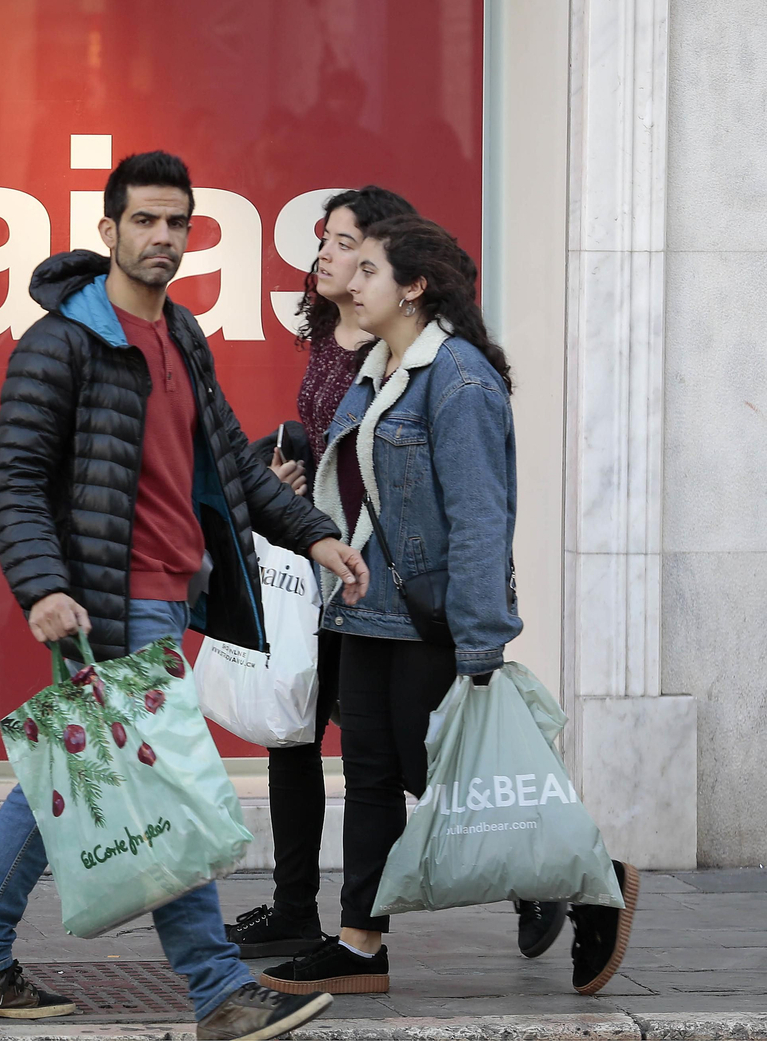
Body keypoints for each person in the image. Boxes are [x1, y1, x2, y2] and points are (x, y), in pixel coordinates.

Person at [0, 151, 371, 1041]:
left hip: (170, 594)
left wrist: (313, 531)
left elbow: (235, 464)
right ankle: (218, 993)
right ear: (109, 232)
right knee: (157, 793)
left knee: (71, 775)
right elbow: (15, 477)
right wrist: (43, 588)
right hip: (109, 598)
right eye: (144, 221)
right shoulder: (63, 342)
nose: (162, 237)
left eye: (177, 223)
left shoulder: (184, 335)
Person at [258, 215, 638, 996]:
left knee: (451, 782)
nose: (350, 284)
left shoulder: (459, 379)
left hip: (429, 620)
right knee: (370, 778)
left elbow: (478, 519)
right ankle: (362, 946)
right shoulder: (377, 371)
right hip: (365, 609)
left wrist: (480, 648)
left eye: (367, 271)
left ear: (414, 286)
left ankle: (591, 879)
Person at [226, 187, 416, 958]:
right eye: (326, 240)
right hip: (321, 561)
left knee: (403, 751)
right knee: (293, 730)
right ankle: (296, 906)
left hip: (372, 573)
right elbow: (333, 446)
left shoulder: (390, 342)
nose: (325, 256)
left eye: (343, 243)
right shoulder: (330, 332)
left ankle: (556, 876)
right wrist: (292, 477)